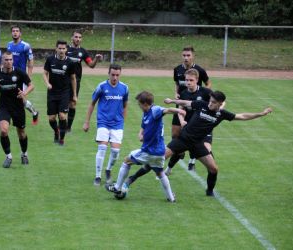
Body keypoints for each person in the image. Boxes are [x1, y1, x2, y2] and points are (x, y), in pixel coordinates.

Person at [123, 91, 272, 197]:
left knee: (213, 169)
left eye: (213, 102)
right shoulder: (201, 105)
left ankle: (209, 191)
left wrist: (260, 114)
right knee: (157, 160)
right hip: (183, 139)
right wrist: (172, 101)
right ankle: (131, 179)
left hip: (198, 144)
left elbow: (242, 116)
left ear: (220, 104)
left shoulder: (222, 114)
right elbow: (187, 103)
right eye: (210, 100)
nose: (210, 103)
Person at [105, 91, 185, 202]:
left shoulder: (155, 110)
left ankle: (117, 187)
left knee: (127, 161)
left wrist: (179, 110)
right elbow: (144, 125)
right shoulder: (146, 113)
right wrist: (141, 133)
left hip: (149, 151)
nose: (139, 106)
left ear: (145, 104)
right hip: (160, 152)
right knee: (160, 173)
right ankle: (171, 198)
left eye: (139, 104)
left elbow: (167, 110)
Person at [83, 64, 128, 186]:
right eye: (113, 74)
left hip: (117, 124)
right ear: (108, 74)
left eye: (117, 75)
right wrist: (87, 122)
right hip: (103, 122)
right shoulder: (101, 87)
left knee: (115, 151)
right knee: (102, 148)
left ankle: (108, 170)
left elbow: (125, 105)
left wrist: (123, 120)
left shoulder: (124, 88)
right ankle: (97, 176)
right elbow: (92, 103)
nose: (115, 77)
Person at [0, 51, 35, 168]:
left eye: (10, 60)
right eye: (6, 60)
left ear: (13, 61)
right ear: (2, 61)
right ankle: (8, 156)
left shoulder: (19, 72)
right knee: (4, 131)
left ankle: (24, 154)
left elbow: (31, 85)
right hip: (4, 106)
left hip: (18, 107)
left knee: (21, 134)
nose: (8, 62)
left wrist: (24, 93)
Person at [172, 46, 212, 170]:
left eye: (188, 55)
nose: (186, 58)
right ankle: (180, 151)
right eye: (184, 55)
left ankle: (192, 160)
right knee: (175, 134)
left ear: (192, 56)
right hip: (182, 103)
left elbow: (208, 82)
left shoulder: (199, 70)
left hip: (195, 106)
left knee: (194, 133)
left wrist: (206, 95)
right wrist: (176, 93)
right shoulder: (177, 69)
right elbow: (177, 84)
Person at [66, 30, 103, 132]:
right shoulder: (65, 49)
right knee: (62, 103)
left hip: (76, 81)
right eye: (76, 37)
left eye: (80, 37)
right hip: (63, 80)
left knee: (72, 103)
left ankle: (68, 127)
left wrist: (96, 59)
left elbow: (91, 65)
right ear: (72, 38)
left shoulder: (83, 52)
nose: (78, 39)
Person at [43, 40, 77, 146]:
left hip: (64, 93)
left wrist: (74, 95)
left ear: (66, 49)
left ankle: (62, 139)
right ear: (56, 49)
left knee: (62, 116)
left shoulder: (70, 62)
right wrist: (47, 83)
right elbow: (44, 73)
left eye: (63, 48)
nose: (61, 50)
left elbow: (73, 78)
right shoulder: (50, 59)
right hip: (52, 93)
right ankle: (56, 131)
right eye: (60, 48)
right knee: (52, 118)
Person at [7, 25, 39, 125]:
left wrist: (28, 76)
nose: (15, 33)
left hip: (21, 77)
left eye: (17, 31)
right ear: (11, 33)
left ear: (20, 33)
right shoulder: (9, 45)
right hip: (10, 76)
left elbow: (30, 61)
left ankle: (33, 112)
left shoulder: (25, 46)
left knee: (20, 98)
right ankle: (33, 112)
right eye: (13, 31)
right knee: (12, 98)